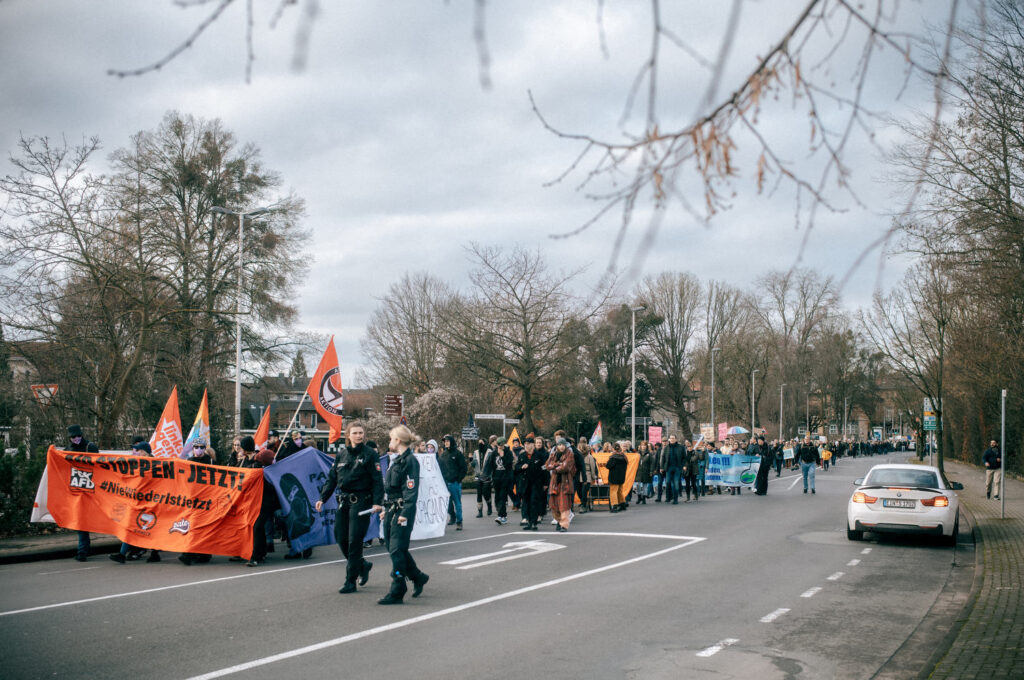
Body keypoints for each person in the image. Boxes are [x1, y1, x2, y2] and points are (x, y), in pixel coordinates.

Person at [316, 423, 384, 593]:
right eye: (355, 433)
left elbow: (377, 480)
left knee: (355, 541)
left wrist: (377, 502)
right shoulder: (342, 454)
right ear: (348, 435)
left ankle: (350, 581)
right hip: (344, 500)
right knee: (340, 537)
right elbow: (332, 479)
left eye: (361, 433)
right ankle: (362, 565)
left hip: (361, 501)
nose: (359, 436)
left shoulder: (370, 454)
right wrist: (322, 498)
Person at [378, 425, 428, 605]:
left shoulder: (410, 461)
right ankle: (417, 576)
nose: (390, 442)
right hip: (392, 509)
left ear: (398, 440)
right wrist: (385, 509)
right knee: (394, 548)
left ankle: (398, 588)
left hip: (402, 510)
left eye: (391, 438)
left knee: (396, 550)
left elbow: (410, 490)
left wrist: (405, 513)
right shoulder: (397, 460)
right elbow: (392, 489)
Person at [66, 424, 99, 561]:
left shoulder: (90, 447)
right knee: (81, 519)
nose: (76, 439)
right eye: (73, 437)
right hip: (77, 488)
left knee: (84, 519)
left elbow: (99, 465)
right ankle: (83, 550)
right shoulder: (68, 450)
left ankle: (83, 550)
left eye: (78, 436)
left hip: (91, 488)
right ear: (69, 438)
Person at [544, 438, 576, 531]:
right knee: (554, 505)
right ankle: (559, 521)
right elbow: (547, 465)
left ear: (565, 445)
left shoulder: (570, 454)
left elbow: (565, 467)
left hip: (565, 483)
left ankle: (564, 525)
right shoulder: (553, 454)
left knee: (564, 505)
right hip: (554, 483)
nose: (561, 447)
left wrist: (555, 466)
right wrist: (557, 464)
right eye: (559, 445)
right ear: (557, 446)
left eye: (563, 445)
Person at [516, 436, 548, 530]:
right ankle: (529, 522)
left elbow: (544, 469)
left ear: (532, 445)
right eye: (525, 444)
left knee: (534, 501)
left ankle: (534, 522)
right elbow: (516, 467)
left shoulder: (539, 455)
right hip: (525, 483)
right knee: (526, 502)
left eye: (528, 444)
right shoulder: (522, 456)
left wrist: (546, 483)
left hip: (536, 482)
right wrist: (521, 467)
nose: (526, 445)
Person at [438, 434, 467, 530]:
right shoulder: (443, 455)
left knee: (457, 503)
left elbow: (463, 468)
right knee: (447, 504)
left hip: (454, 483)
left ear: (451, 442)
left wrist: (458, 479)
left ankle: (459, 522)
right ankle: (452, 516)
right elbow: (440, 468)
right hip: (445, 483)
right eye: (445, 441)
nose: (446, 443)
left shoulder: (458, 454)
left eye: (447, 441)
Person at [487, 437, 514, 525]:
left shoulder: (508, 452)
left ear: (504, 444)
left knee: (502, 496)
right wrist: (488, 475)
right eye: (498, 445)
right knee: (497, 497)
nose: (500, 447)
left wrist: (502, 456)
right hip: (496, 478)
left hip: (505, 478)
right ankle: (502, 515)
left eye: (501, 445)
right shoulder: (494, 453)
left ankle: (501, 516)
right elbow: (490, 465)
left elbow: (508, 465)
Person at [472, 438, 493, 517]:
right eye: (479, 443)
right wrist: (471, 460)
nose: (480, 444)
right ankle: (480, 511)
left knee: (486, 493)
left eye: (482, 442)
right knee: (479, 494)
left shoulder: (490, 452)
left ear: (485, 443)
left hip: (487, 476)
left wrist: (491, 475)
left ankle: (489, 506)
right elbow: (473, 464)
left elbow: (493, 464)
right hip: (478, 476)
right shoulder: (476, 452)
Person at [605, 444, 629, 512]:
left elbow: (608, 466)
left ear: (613, 449)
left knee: (613, 492)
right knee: (619, 491)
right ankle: (622, 504)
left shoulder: (613, 458)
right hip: (621, 477)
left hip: (613, 477)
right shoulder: (624, 457)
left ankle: (614, 506)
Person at [663, 434, 684, 504]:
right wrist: (662, 467)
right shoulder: (666, 448)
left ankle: (675, 499)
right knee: (668, 482)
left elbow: (684, 457)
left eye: (673, 438)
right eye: (671, 438)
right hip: (668, 468)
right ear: (669, 439)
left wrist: (683, 465)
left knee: (676, 483)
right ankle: (669, 496)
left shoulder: (680, 447)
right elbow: (663, 458)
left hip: (677, 468)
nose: (672, 439)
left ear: (676, 439)